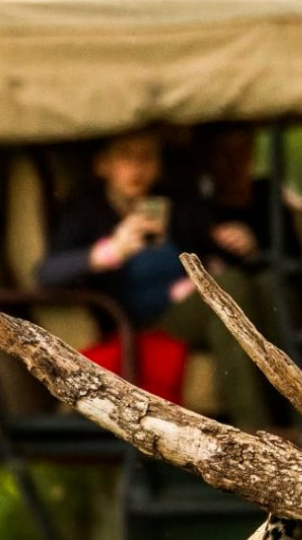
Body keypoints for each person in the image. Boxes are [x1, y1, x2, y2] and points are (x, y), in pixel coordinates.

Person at [35, 127, 274, 429]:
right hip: (142, 321)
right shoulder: (88, 210)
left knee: (265, 287)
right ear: (103, 165)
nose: (137, 168)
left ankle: (288, 417)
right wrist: (110, 251)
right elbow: (46, 273)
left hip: (193, 305)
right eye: (126, 157)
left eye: (146, 158)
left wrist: (243, 245)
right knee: (231, 289)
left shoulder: (176, 204)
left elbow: (212, 251)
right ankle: (256, 428)